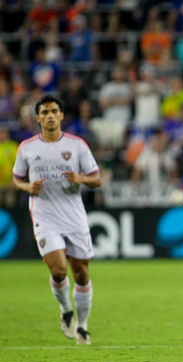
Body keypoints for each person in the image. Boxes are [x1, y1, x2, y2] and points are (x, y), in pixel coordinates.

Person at [12, 95, 102, 345]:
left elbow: (97, 179)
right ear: (38, 117)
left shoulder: (77, 145)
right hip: (44, 215)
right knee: (59, 270)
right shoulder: (27, 148)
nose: (50, 115)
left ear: (61, 116)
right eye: (45, 112)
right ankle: (65, 310)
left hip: (73, 215)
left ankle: (82, 326)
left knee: (81, 273)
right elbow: (16, 179)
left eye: (54, 111)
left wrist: (81, 179)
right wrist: (27, 186)